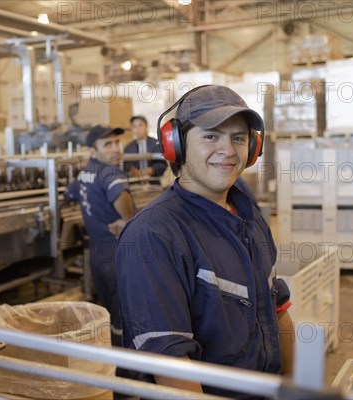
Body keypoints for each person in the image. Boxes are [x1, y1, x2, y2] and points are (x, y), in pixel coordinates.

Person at [115, 85, 293, 397]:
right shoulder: (154, 235)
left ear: (254, 148)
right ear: (175, 145)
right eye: (211, 135)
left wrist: (294, 391)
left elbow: (278, 310)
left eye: (238, 137)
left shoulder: (250, 217)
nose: (229, 150)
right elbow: (170, 364)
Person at [65, 125, 134, 347]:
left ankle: (110, 358)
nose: (115, 148)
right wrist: (128, 221)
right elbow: (121, 194)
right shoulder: (110, 172)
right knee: (124, 312)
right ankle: (128, 369)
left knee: (107, 311)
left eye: (116, 142)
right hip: (116, 252)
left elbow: (70, 192)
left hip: (98, 253)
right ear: (93, 151)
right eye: (108, 144)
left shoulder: (85, 172)